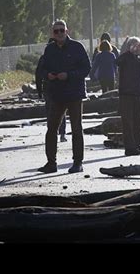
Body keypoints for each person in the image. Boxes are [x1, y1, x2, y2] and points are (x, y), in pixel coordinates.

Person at [38, 19, 91, 174]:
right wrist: (48, 75)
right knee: (51, 129)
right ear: (52, 34)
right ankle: (51, 163)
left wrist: (68, 75)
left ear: (67, 31)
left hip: (74, 94)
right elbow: (41, 69)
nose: (60, 33)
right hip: (56, 94)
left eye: (62, 30)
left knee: (76, 129)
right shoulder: (49, 50)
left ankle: (77, 162)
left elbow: (86, 68)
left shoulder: (77, 47)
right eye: (56, 31)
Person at [116, 36, 140, 156]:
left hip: (138, 93)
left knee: (138, 120)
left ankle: (137, 145)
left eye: (137, 45)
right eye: (133, 45)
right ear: (128, 46)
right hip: (126, 93)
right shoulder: (124, 57)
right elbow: (118, 62)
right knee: (127, 121)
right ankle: (129, 147)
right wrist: (128, 52)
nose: (135, 47)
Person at [35, 37, 67, 142]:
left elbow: (38, 74)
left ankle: (53, 132)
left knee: (51, 111)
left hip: (49, 88)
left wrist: (39, 90)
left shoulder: (44, 58)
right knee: (61, 110)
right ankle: (61, 133)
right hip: (57, 88)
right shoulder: (63, 57)